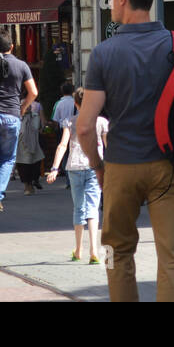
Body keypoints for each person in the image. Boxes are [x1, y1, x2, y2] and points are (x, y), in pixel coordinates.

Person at [77, 0, 174, 302]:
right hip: (171, 165)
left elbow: (86, 125)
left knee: (114, 250)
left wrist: (96, 164)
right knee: (173, 257)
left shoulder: (105, 52)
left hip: (121, 165)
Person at [47, 87, 108, 263]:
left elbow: (62, 145)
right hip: (95, 167)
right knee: (93, 208)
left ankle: (79, 249)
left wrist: (54, 168)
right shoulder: (102, 122)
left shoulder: (70, 122)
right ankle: (94, 250)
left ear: (75, 103)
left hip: (73, 167)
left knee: (79, 208)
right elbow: (108, 147)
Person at [0, 30, 38, 212]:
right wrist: (23, 107)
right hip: (12, 115)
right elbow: (33, 92)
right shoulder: (22, 66)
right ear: (12, 46)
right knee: (6, 158)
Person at [51, 82, 77, 188]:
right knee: (75, 151)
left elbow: (55, 119)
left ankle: (68, 180)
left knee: (65, 153)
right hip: (76, 128)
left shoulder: (58, 103)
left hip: (63, 129)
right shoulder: (76, 102)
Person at [16, 101, 45, 194]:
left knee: (34, 165)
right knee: (23, 166)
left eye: (28, 106)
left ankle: (32, 183)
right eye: (24, 106)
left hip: (34, 145)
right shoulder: (17, 118)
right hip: (21, 146)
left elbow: (41, 128)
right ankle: (27, 186)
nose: (26, 108)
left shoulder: (35, 117)